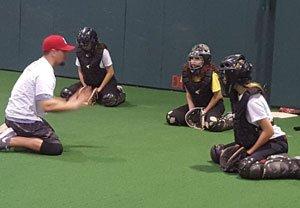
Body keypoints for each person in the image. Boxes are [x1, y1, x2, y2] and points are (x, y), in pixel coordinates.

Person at [210, 54, 298, 180]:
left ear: (235, 76)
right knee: (217, 152)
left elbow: (268, 131)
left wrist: (250, 152)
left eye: (226, 74)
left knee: (247, 168)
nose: (223, 78)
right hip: (253, 139)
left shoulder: (252, 101)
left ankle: (294, 165)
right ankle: (263, 156)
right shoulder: (238, 95)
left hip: (274, 142)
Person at [0, 34, 91, 155]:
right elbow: (46, 106)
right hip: (23, 120)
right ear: (53, 52)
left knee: (46, 133)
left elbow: (44, 100)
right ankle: (6, 140)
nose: (66, 55)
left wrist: (69, 101)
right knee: (54, 147)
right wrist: (74, 105)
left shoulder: (38, 65)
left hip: (12, 117)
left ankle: (8, 130)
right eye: (63, 51)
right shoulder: (45, 72)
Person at [166, 44, 233, 132]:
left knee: (211, 124)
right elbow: (188, 93)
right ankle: (201, 120)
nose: (193, 62)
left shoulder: (212, 74)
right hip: (197, 105)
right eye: (191, 58)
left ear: (205, 60)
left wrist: (205, 111)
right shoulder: (186, 73)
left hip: (214, 106)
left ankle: (230, 119)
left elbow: (218, 96)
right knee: (171, 117)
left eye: (197, 59)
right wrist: (192, 111)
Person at [60, 27, 125, 107]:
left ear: (93, 42)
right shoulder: (79, 52)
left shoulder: (103, 52)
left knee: (109, 99)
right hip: (89, 83)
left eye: (86, 44)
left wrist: (99, 89)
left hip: (105, 84)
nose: (83, 46)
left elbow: (110, 72)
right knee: (66, 93)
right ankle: (95, 95)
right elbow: (80, 71)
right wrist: (85, 87)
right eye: (81, 43)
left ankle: (119, 93)